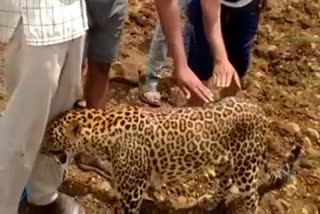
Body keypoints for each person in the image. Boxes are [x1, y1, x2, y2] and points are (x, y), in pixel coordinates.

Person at [0, 0, 88, 213]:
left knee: (59, 125)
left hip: (72, 18)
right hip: (34, 21)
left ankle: (42, 196)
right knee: (22, 131)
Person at [140, 0, 264, 106]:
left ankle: (226, 112)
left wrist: (221, 59)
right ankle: (153, 77)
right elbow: (168, 4)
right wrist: (181, 65)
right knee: (200, 63)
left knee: (237, 67)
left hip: (247, 6)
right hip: (208, 7)